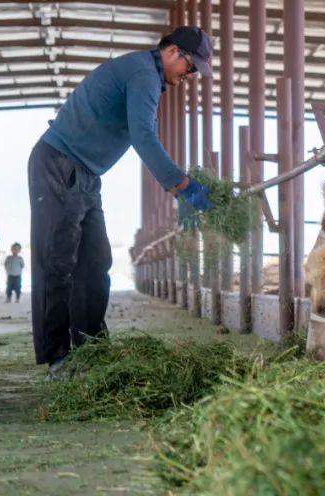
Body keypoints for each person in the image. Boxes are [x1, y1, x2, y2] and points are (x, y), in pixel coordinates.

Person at [27, 26, 214, 381]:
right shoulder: (143, 74)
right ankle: (57, 358)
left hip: (86, 173)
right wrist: (182, 185)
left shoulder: (146, 76)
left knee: (96, 262)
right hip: (59, 163)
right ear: (173, 52)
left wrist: (178, 184)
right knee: (58, 261)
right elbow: (143, 137)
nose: (190, 76)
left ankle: (92, 350)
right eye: (191, 67)